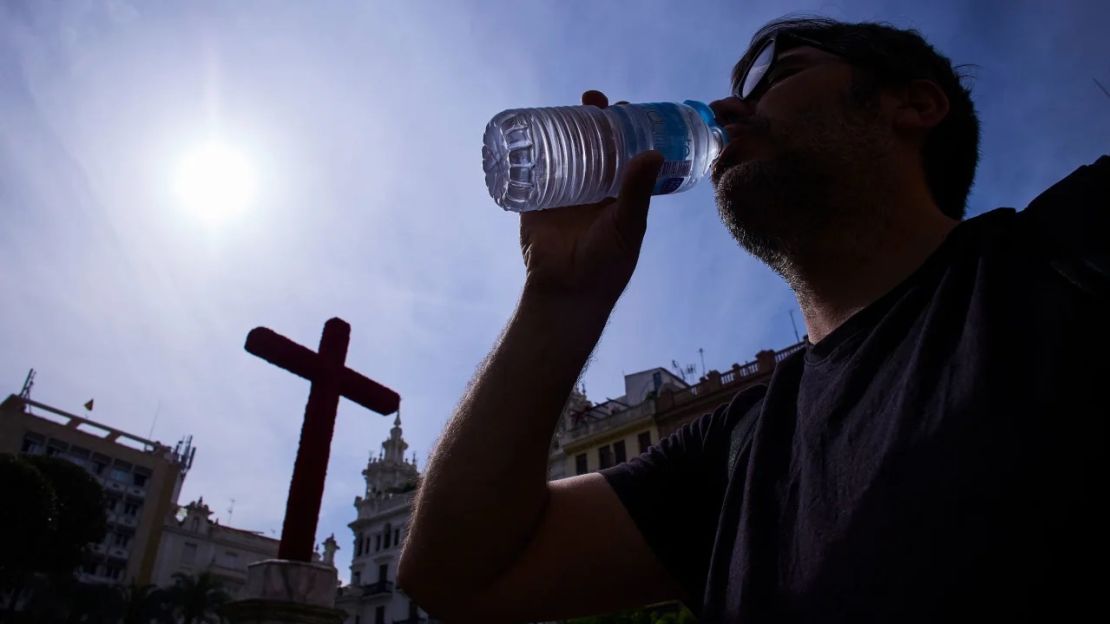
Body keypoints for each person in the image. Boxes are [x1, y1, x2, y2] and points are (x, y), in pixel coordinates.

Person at [399, 16, 1108, 623]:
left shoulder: (1071, 251)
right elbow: (458, 574)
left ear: (913, 105)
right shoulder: (738, 449)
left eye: (778, 75)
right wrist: (560, 297)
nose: (729, 110)